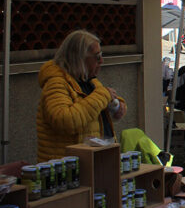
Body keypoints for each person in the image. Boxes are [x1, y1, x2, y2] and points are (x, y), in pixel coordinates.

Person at [37, 30, 127, 161]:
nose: (101, 61)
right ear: (79, 58)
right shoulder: (56, 83)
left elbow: (97, 102)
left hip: (92, 163)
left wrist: (117, 106)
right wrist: (102, 96)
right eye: (97, 56)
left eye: (101, 55)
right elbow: (65, 120)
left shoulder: (89, 80)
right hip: (66, 170)